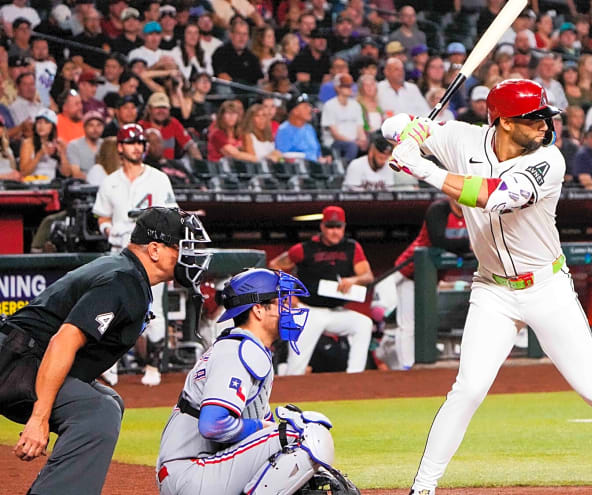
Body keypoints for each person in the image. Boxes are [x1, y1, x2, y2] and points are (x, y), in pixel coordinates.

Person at [381, 79, 592, 495]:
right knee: (468, 389)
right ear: (504, 122)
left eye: (545, 117)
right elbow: (393, 124)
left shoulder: (549, 161)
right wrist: (411, 131)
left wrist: (418, 165)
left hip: (546, 287)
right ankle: (422, 488)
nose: (544, 125)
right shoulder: (462, 139)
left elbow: (495, 197)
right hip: (492, 290)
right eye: (533, 118)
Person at [0, 206, 210, 495]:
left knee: (109, 401)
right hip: (15, 362)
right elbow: (63, 341)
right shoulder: (121, 280)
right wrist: (39, 418)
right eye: (182, 248)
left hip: (23, 357)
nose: (191, 256)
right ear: (154, 249)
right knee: (97, 413)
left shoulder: (127, 273)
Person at [156, 268, 358, 495]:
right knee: (305, 435)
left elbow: (256, 422)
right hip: (191, 472)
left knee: (291, 431)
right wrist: (271, 429)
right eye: (281, 301)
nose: (290, 308)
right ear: (259, 310)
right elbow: (213, 425)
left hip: (195, 470)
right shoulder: (239, 352)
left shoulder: (246, 348)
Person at [92, 124, 179, 387]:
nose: (137, 147)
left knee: (155, 311)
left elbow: (171, 215)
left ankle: (152, 366)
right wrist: (109, 230)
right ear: (120, 147)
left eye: (140, 142)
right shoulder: (110, 182)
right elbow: (102, 215)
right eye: (131, 142)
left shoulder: (158, 178)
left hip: (152, 254)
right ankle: (110, 364)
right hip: (120, 252)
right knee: (112, 308)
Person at [268, 206, 375, 375]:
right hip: (309, 311)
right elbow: (275, 266)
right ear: (322, 227)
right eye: (330, 227)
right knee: (296, 368)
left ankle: (355, 375)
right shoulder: (305, 248)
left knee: (363, 323)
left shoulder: (351, 247)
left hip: (336, 311)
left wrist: (354, 280)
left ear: (344, 227)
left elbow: (368, 275)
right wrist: (288, 295)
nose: (334, 231)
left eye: (338, 227)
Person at [392, 198, 470, 370]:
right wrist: (468, 245)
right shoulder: (439, 209)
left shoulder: (473, 213)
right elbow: (439, 240)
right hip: (409, 272)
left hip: (432, 276)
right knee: (408, 324)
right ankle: (405, 367)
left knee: (427, 323)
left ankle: (420, 365)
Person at [275, 93, 324, 163]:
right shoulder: (284, 130)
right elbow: (284, 157)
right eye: (305, 107)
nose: (310, 109)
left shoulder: (309, 129)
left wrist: (322, 159)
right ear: (295, 111)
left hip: (315, 169)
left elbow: (317, 153)